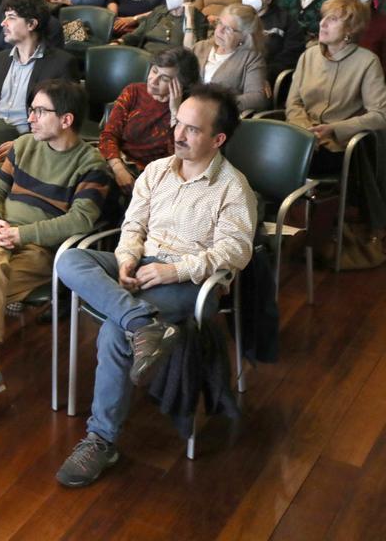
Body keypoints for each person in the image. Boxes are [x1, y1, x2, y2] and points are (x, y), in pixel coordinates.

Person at [54, 84, 256, 486]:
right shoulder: (156, 171)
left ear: (218, 139)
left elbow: (235, 252)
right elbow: (133, 225)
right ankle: (141, 322)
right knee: (70, 259)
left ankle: (101, 439)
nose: (178, 134)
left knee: (114, 330)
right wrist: (127, 257)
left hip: (189, 280)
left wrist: (173, 271)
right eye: (177, 123)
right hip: (140, 264)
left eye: (192, 130)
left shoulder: (233, 188)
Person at [0, 79, 111, 433]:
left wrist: (21, 234)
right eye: (31, 110)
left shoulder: (91, 165)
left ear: (67, 120)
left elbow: (80, 219)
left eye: (40, 111)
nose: (31, 118)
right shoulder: (24, 146)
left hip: (40, 251)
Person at [286, 0, 386, 174]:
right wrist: (306, 131)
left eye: (332, 19)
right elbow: (293, 103)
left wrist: (334, 129)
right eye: (323, 17)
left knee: (274, 163)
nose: (322, 24)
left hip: (338, 145)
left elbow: (380, 116)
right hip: (300, 137)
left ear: (350, 29)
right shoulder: (309, 55)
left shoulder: (367, 62)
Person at [0, 0, 76, 159]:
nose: (3, 23)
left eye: (11, 18)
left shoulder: (61, 63)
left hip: (28, 138)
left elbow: (61, 117)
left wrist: (27, 142)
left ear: (31, 24)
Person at [99, 46, 201, 194]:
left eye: (164, 78)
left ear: (181, 85)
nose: (153, 80)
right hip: (115, 161)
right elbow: (109, 135)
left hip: (148, 177)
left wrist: (175, 113)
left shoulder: (189, 112)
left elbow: (177, 162)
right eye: (154, 70)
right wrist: (118, 168)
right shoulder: (133, 91)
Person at [192, 3, 269, 111]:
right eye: (219, 23)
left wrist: (218, 105)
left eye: (228, 29)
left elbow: (257, 98)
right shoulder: (200, 47)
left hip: (220, 117)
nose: (219, 30)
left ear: (244, 36)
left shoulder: (251, 59)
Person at [241, 0, 306, 80]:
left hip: (266, 74)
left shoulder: (285, 20)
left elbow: (291, 55)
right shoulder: (236, 15)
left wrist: (262, 73)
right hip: (236, 69)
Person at [120, 0, 208, 51]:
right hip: (144, 59)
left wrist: (189, 18)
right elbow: (136, 35)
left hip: (169, 64)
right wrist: (118, 42)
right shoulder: (160, 11)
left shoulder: (198, 19)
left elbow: (191, 51)